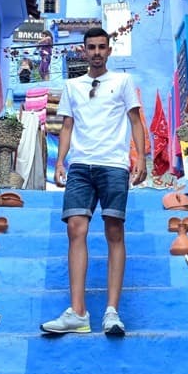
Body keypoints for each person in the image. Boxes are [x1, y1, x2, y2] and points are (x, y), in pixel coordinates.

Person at [40, 27, 147, 337]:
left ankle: (112, 312)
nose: (97, 52)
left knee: (114, 230)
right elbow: (67, 126)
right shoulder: (72, 86)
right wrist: (60, 161)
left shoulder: (123, 82)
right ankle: (78, 312)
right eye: (92, 47)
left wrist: (140, 158)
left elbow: (136, 121)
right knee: (76, 228)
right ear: (83, 51)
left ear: (109, 51)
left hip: (114, 165)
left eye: (102, 47)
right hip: (80, 166)